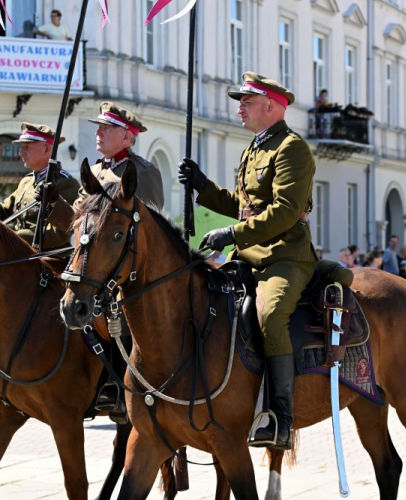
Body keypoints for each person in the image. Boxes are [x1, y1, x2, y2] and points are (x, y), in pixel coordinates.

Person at [178, 71, 314, 449]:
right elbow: (244, 206)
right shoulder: (255, 147)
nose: (240, 108)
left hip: (284, 255)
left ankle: (280, 418)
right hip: (248, 256)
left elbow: (286, 212)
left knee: (270, 314)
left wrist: (232, 234)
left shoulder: (291, 148)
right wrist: (202, 186)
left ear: (271, 106)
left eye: (247, 102)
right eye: (240, 102)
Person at [46, 103, 165, 424]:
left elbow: (150, 222)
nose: (98, 132)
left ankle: (116, 382)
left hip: (127, 263)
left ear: (127, 136)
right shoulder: (96, 172)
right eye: (98, 127)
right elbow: (77, 223)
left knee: (114, 307)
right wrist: (53, 203)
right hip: (95, 258)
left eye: (107, 128)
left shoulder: (142, 172)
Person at [0, 123, 79, 250]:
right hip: (18, 255)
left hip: (48, 261)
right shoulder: (26, 181)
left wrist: (15, 237)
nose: (21, 153)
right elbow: (4, 214)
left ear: (46, 149)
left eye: (27, 147)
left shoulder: (65, 183)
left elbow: (63, 231)